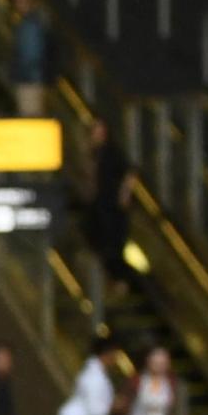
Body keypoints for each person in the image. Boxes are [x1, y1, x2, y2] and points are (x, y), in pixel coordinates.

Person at [84, 119, 136, 288]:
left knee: (114, 242)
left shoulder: (112, 152)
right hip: (100, 202)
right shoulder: (95, 153)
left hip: (113, 204)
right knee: (97, 238)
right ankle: (112, 278)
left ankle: (121, 279)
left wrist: (124, 194)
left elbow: (130, 173)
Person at [10, 0, 54, 117]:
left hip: (29, 81)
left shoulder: (30, 24)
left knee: (30, 116)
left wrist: (19, 72)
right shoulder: (37, 21)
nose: (18, 5)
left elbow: (30, 55)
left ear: (29, 0)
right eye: (17, 1)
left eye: (21, 1)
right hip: (35, 79)